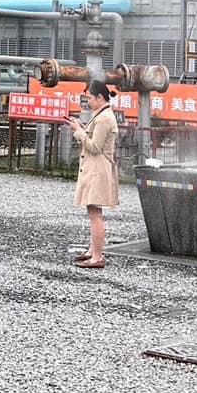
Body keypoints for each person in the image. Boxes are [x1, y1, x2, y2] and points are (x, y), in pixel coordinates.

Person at [67, 84, 119, 269]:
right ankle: (92, 250)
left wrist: (78, 131)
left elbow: (95, 147)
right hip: (96, 169)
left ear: (99, 98)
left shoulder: (104, 118)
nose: (88, 102)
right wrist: (81, 128)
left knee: (95, 214)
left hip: (98, 170)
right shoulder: (102, 115)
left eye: (89, 98)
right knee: (93, 212)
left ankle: (97, 256)